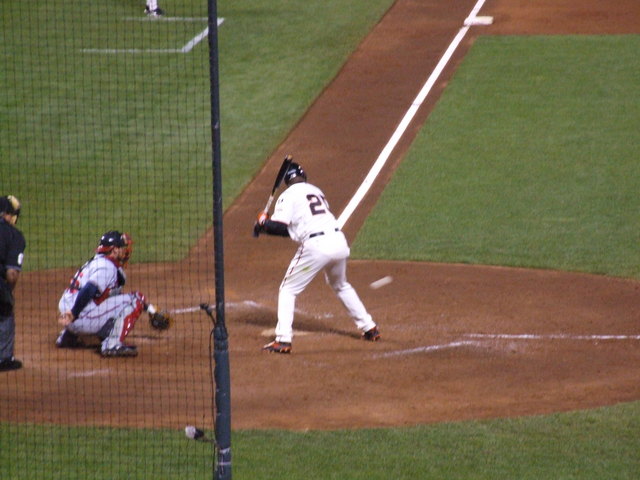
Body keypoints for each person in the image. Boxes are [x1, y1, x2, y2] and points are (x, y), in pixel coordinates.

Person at [254, 161, 380, 354]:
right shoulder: (316, 191)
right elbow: (295, 228)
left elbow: (280, 227)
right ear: (303, 176)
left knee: (288, 289)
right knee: (341, 284)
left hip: (317, 247)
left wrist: (264, 222)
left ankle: (283, 339)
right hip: (338, 241)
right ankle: (369, 327)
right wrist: (265, 226)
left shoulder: (287, 196)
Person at [56, 231, 147, 357]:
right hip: (75, 316)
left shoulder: (96, 261)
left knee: (106, 298)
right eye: (122, 247)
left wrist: (149, 309)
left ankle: (69, 336)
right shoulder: (107, 267)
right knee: (136, 300)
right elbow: (89, 289)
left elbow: (108, 296)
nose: (125, 251)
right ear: (114, 250)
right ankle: (112, 345)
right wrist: (74, 313)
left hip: (67, 312)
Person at [0, 195, 26, 372]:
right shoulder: (14, 235)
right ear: (8, 215)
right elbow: (12, 274)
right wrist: (7, 292)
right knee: (5, 311)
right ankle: (4, 359)